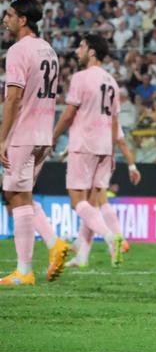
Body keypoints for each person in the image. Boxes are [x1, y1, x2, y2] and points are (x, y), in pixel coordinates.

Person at [0, 0, 70, 286]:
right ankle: (52, 246)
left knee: (14, 196)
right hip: (43, 133)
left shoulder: (18, 50)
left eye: (10, 15)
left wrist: (2, 138)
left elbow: (13, 96)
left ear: (23, 20)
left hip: (24, 133)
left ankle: (26, 270)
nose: (5, 20)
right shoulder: (48, 50)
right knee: (20, 195)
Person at [52, 34, 125, 267]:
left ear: (92, 51)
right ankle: (82, 255)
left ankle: (109, 235)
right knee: (91, 203)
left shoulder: (81, 78)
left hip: (85, 143)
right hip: (104, 146)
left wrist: (52, 138)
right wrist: (112, 153)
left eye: (81, 46)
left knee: (77, 201)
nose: (77, 51)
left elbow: (70, 113)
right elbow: (115, 121)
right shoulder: (112, 82)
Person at [66, 124, 142, 269]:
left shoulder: (92, 112)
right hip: (107, 162)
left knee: (83, 204)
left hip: (88, 159)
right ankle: (83, 253)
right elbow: (122, 142)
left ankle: (109, 241)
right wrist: (132, 166)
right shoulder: (110, 111)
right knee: (95, 202)